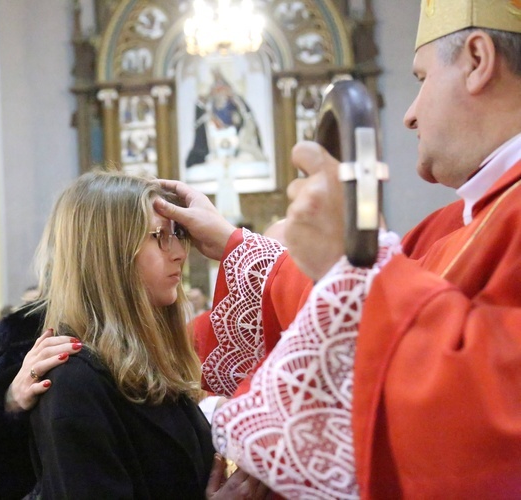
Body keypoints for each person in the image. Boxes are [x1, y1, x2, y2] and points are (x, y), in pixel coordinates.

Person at [156, 1, 521, 497]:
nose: (410, 115)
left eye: (420, 78)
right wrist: (232, 243)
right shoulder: (453, 222)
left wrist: (349, 265)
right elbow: (348, 309)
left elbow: (488, 423)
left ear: (477, 60)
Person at [0, 170, 270, 499]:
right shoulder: (73, 375)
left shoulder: (148, 356)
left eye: (177, 234)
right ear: (110, 253)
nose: (181, 253)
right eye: (158, 236)